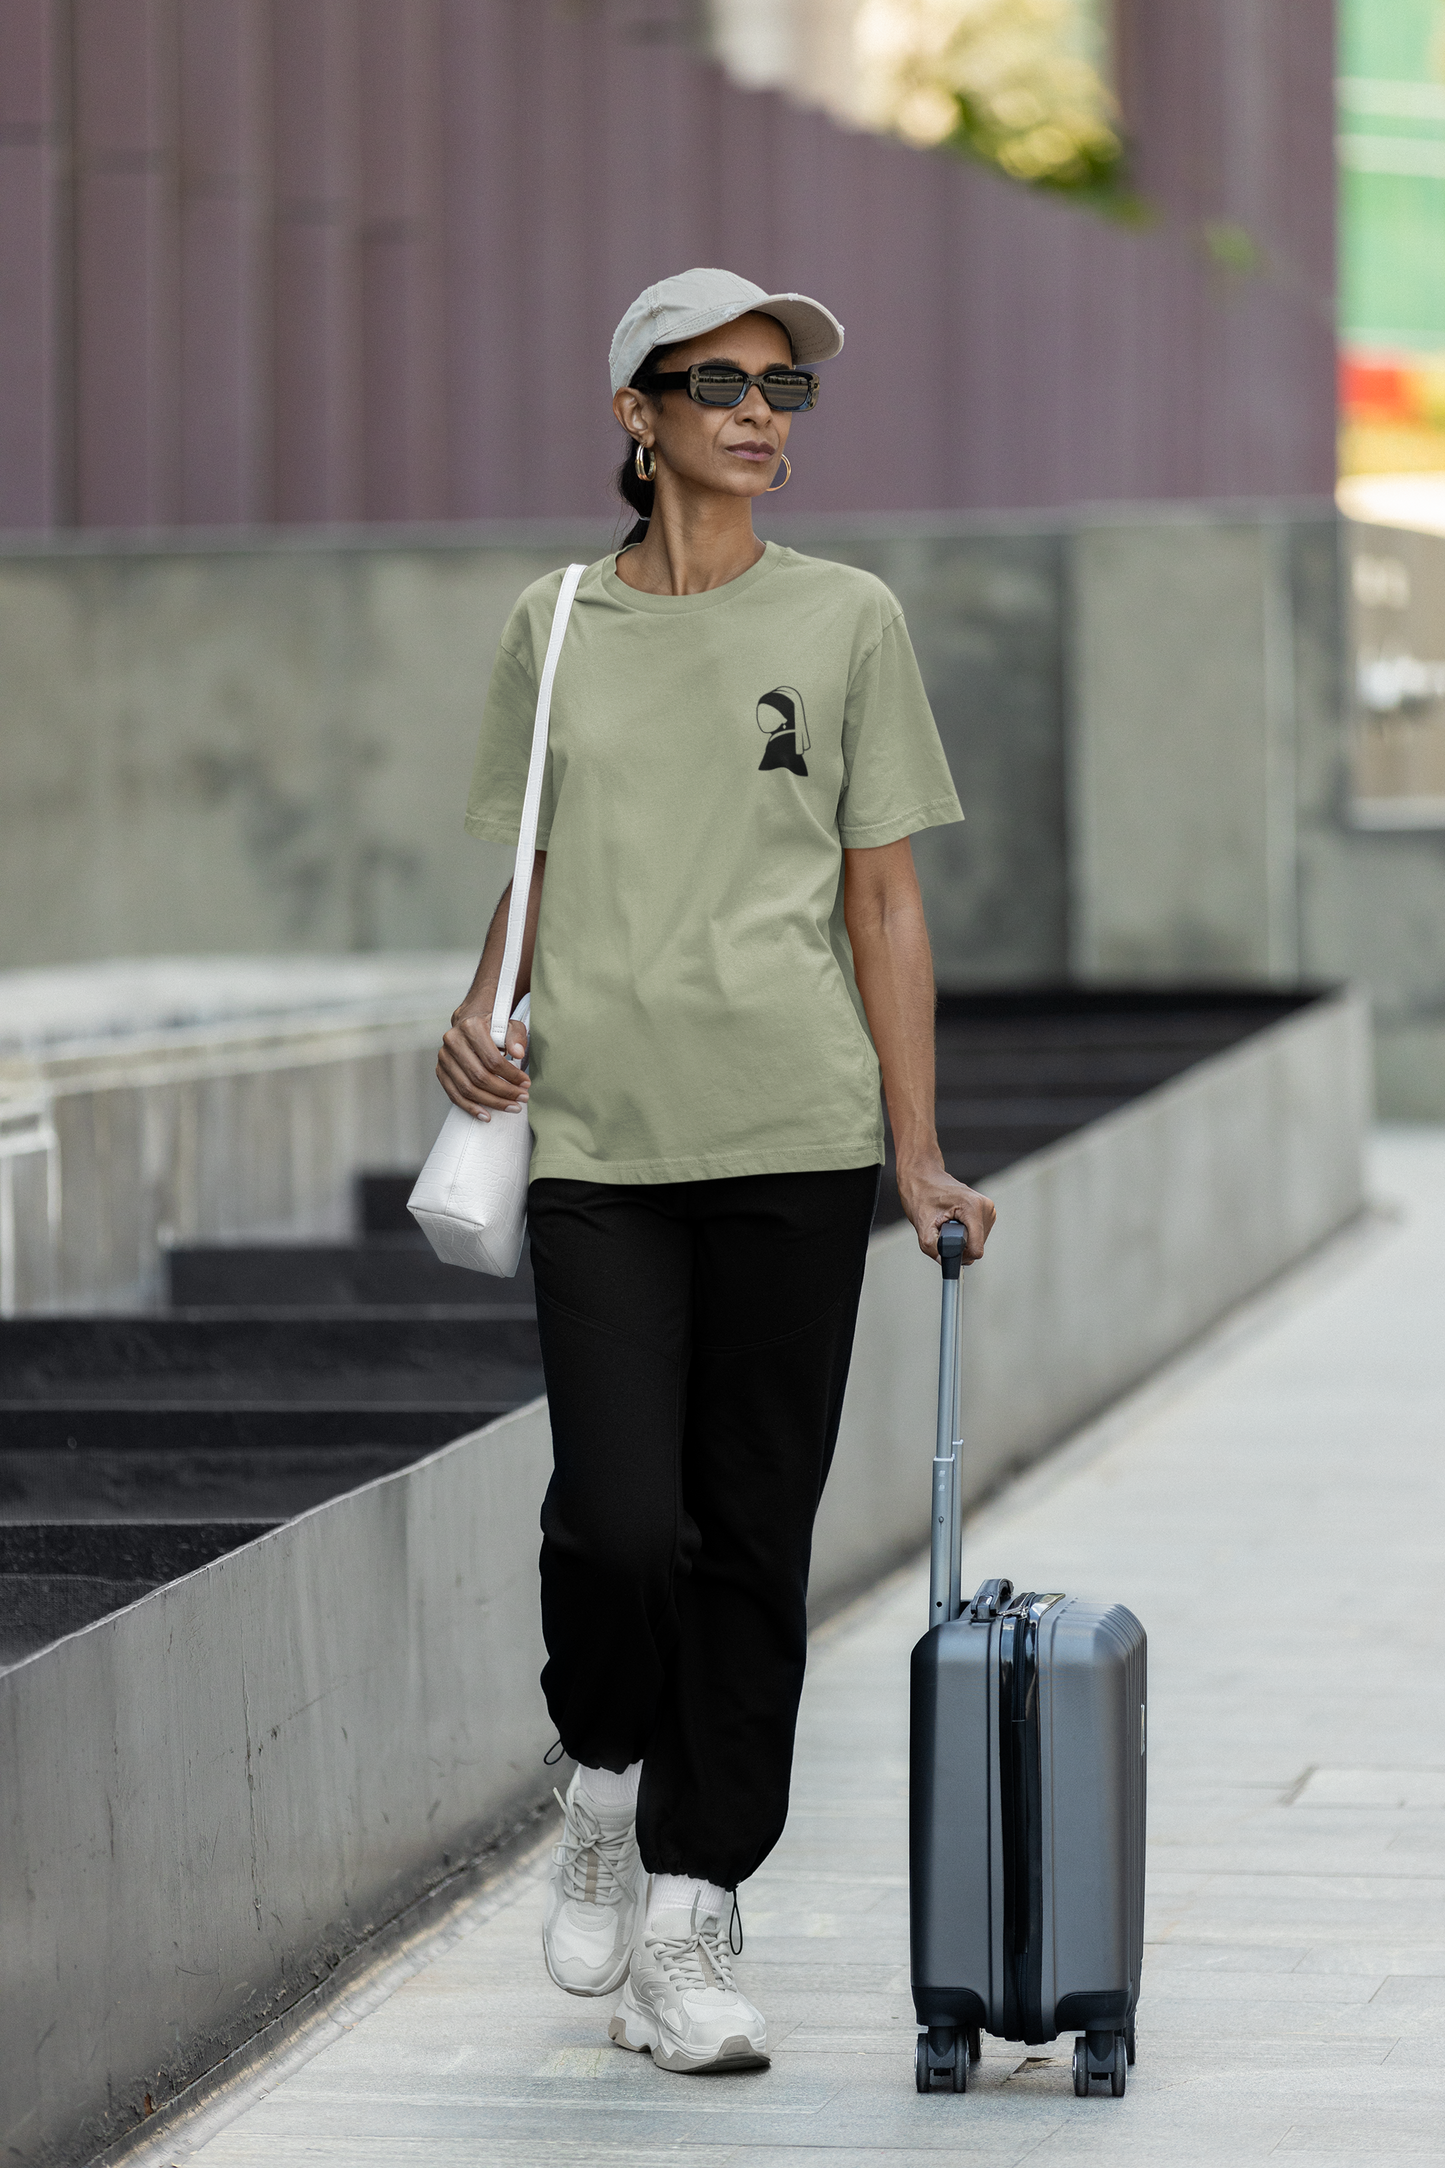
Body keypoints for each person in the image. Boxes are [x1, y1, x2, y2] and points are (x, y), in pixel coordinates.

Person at [437, 267, 996, 2077]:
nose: (763, 414)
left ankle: (693, 1912)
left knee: (749, 1534)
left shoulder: (848, 621)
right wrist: (475, 1014)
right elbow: (534, 856)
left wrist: (914, 1153)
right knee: (613, 1521)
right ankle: (601, 1773)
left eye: (786, 391)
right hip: (598, 1133)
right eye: (722, 384)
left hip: (792, 1138)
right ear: (638, 414)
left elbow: (886, 897)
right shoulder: (557, 623)